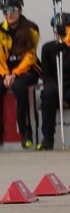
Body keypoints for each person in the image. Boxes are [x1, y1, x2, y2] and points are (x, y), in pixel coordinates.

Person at [0, 0, 40, 150]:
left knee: (19, 87)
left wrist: (15, 74)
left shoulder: (31, 29)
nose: (9, 14)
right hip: (5, 70)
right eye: (5, 11)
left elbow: (30, 56)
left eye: (12, 10)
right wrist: (5, 75)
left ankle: (26, 133)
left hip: (26, 69)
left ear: (20, 10)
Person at [38, 13, 70, 150]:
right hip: (56, 87)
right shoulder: (48, 48)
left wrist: (66, 97)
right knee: (47, 94)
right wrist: (57, 91)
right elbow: (47, 76)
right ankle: (48, 138)